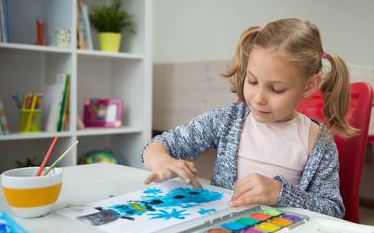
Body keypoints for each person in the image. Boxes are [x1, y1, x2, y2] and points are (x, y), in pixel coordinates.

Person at [142, 18, 356, 219]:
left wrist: (281, 193)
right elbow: (158, 145)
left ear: (309, 86)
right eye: (252, 81)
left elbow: (333, 210)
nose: (258, 98)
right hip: (226, 231)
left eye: (276, 89)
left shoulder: (318, 141)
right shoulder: (226, 121)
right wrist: (160, 159)